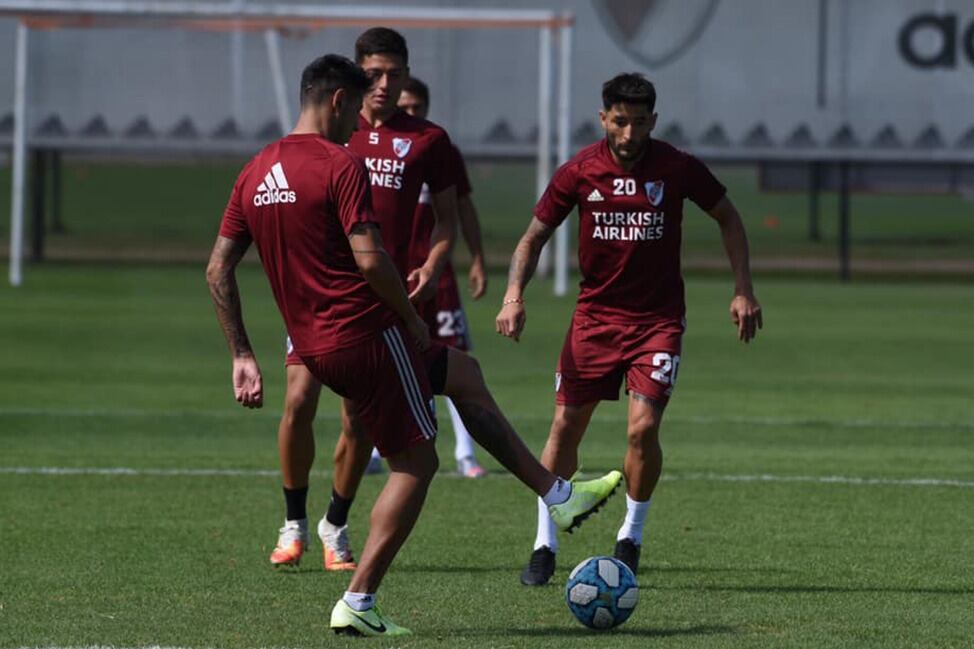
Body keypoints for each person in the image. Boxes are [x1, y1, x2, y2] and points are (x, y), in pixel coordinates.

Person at [268, 27, 623, 583]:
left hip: (378, 308)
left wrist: (437, 267)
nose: (386, 86)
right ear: (353, 84)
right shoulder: (329, 142)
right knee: (351, 425)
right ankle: (307, 539)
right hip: (339, 311)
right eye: (375, 75)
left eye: (395, 74)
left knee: (389, 415)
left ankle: (336, 528)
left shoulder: (427, 140)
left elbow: (449, 215)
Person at [496, 73, 763, 586]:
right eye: (619, 121)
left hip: (657, 323)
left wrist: (743, 288)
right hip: (594, 321)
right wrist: (514, 296)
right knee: (564, 429)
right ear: (604, 119)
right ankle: (543, 543)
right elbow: (533, 238)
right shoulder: (579, 171)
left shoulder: (677, 167)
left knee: (642, 429)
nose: (628, 132)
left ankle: (631, 535)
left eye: (639, 122)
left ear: (653, 122)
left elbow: (729, 217)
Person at [206, 53, 438, 636]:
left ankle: (552, 490)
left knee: (457, 378)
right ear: (338, 101)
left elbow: (217, 269)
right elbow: (370, 260)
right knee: (417, 460)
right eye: (355, 110)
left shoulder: (255, 169)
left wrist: (241, 352)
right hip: (362, 331)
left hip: (308, 343)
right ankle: (358, 600)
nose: (358, 124)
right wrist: (409, 316)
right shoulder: (341, 162)